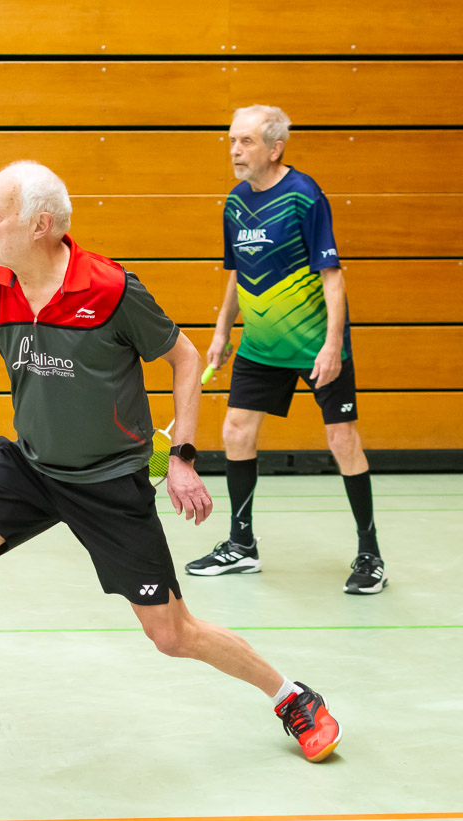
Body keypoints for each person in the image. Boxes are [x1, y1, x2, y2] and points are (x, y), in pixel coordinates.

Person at [0, 161, 341, 779]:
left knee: (172, 633)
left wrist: (182, 458)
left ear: (40, 225)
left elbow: (185, 359)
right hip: (33, 466)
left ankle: (292, 697)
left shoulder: (109, 290)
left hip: (110, 480)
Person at [184, 105, 385, 595]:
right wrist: (221, 332)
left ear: (275, 149)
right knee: (236, 432)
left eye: (246, 141)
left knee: (343, 441)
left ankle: (370, 554)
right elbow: (238, 273)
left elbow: (332, 277)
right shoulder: (235, 203)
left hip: (316, 344)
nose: (235, 151)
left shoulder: (304, 196)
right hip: (260, 346)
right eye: (232, 141)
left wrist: (333, 345)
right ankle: (242, 545)